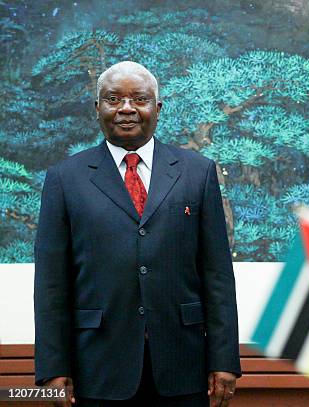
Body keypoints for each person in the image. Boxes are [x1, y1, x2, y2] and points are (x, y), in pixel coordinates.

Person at [34, 61, 241, 407]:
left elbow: (217, 274)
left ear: (157, 108)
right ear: (97, 108)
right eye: (113, 99)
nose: (126, 109)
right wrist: (54, 367)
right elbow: (52, 283)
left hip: (183, 365)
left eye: (139, 99)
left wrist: (224, 359)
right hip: (97, 367)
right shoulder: (64, 179)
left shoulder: (197, 172)